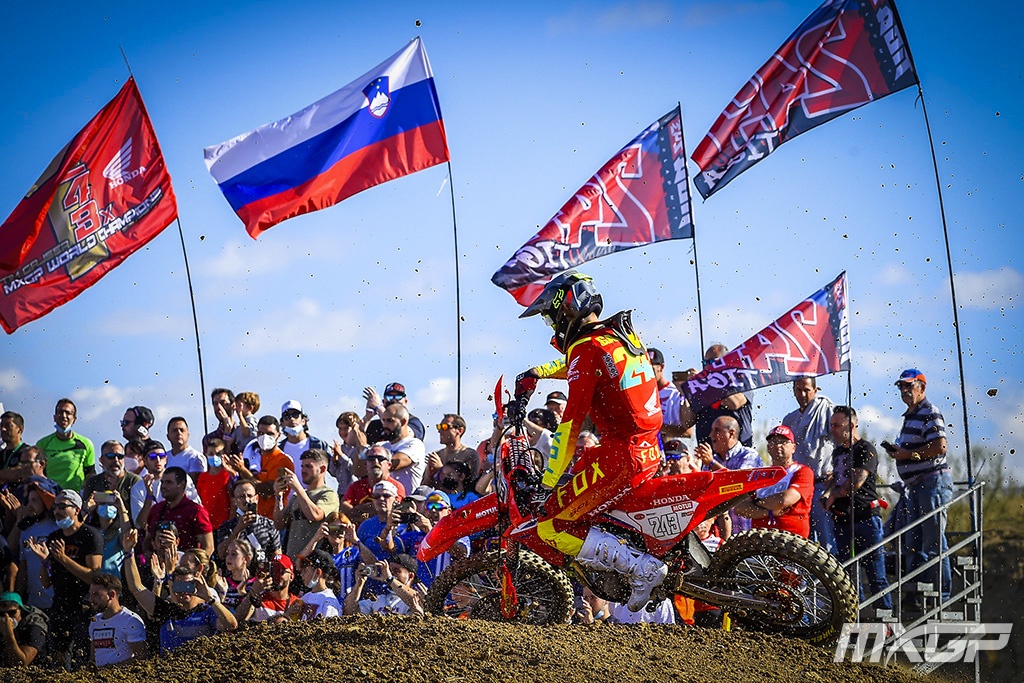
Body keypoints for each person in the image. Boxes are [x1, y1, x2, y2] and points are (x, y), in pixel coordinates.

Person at [513, 271, 666, 612]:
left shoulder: (586, 347)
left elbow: (569, 426)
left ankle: (640, 569)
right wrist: (538, 372)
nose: (552, 327)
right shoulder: (615, 335)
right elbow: (583, 362)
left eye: (551, 317)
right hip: (647, 448)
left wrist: (546, 481)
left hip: (621, 455)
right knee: (580, 487)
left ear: (565, 309)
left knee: (552, 524)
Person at [887, 368, 953, 603]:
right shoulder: (911, 416)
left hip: (932, 482)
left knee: (933, 540)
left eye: (909, 386)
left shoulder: (929, 412)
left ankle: (942, 596)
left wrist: (908, 455)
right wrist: (903, 454)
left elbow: (939, 448)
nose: (904, 391)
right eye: (901, 387)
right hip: (916, 485)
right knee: (913, 542)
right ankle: (916, 594)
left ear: (922, 388)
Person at [121, 528, 237, 651]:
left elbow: (231, 625)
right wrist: (129, 552)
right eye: (178, 586)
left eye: (187, 586)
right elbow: (136, 588)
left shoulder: (206, 610)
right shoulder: (167, 610)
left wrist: (210, 599)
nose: (183, 592)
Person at [823, 406, 892, 611]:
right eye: (831, 425)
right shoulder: (837, 452)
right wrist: (827, 492)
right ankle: (857, 619)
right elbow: (838, 479)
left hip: (865, 519)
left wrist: (834, 494)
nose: (832, 430)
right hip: (842, 520)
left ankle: (887, 622)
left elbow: (858, 480)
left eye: (837, 425)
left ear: (851, 425)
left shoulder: (865, 449)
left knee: (876, 575)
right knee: (849, 577)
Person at [26, 490, 102, 670]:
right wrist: (45, 562)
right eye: (55, 507)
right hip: (60, 605)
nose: (57, 511)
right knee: (58, 664)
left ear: (76, 509)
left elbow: (94, 577)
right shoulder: (54, 537)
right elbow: (46, 583)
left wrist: (62, 558)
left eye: (62, 506)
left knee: (81, 661)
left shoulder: (89, 535)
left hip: (84, 606)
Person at [782, 377, 836, 552]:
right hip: (799, 485)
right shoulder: (789, 419)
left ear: (815, 390)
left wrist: (837, 471)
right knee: (802, 541)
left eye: (806, 390)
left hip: (821, 483)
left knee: (826, 539)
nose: (803, 394)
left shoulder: (826, 409)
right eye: (798, 390)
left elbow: (840, 439)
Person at [733, 425, 814, 538]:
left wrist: (756, 503)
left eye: (783, 442)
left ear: (793, 448)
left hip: (791, 538)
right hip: (760, 537)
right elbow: (740, 508)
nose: (778, 445)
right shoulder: (759, 475)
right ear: (768, 447)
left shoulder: (802, 471)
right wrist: (769, 512)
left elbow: (785, 499)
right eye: (774, 442)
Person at [693, 416, 763, 533]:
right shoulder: (712, 460)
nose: (711, 435)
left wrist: (711, 463)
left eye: (717, 430)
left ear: (731, 434)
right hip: (719, 532)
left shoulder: (749, 455)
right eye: (712, 430)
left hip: (746, 531)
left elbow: (741, 482)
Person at [681, 344, 754, 447]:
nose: (707, 366)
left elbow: (734, 403)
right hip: (709, 453)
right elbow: (687, 422)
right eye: (705, 362)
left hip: (737, 453)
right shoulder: (702, 387)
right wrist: (687, 392)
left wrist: (706, 382)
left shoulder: (739, 380)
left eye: (712, 362)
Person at [273, 448, 340, 558]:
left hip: (314, 562)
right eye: (302, 466)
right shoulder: (297, 496)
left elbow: (315, 515)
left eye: (308, 466)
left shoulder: (329, 494)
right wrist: (278, 496)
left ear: (322, 469)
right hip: (293, 561)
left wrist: (298, 488)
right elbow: (279, 524)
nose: (303, 471)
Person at [144, 466, 214, 556]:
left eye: (169, 482)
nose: (164, 486)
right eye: (162, 482)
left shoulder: (195, 511)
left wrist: (195, 567)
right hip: (159, 566)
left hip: (186, 565)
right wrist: (150, 557)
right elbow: (147, 540)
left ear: (182, 485)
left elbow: (209, 546)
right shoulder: (156, 509)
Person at [213, 479, 281, 564]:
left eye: (249, 496)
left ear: (256, 498)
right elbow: (221, 554)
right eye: (241, 497)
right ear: (235, 501)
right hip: (235, 575)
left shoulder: (269, 525)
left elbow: (277, 556)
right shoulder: (227, 526)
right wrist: (238, 529)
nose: (246, 500)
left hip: (262, 574)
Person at [87, 573, 147, 667]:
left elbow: (141, 659)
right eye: (90, 594)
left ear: (111, 594)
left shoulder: (130, 620)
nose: (90, 600)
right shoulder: (95, 620)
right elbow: (93, 657)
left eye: (96, 594)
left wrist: (109, 669)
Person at [240, 416, 295, 518]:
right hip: (254, 519)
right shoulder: (252, 456)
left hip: (274, 521)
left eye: (270, 434)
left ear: (278, 435)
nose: (265, 437)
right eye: (261, 433)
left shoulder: (282, 460)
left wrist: (242, 470)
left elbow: (268, 491)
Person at [36, 398, 95, 491]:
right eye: (60, 412)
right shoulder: (42, 444)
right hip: (50, 496)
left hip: (75, 498)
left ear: (74, 419)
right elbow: (37, 472)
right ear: (54, 417)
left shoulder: (86, 444)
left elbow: (90, 474)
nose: (64, 416)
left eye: (68, 413)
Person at [277, 400, 338, 492]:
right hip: (288, 504)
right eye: (287, 416)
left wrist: (337, 459)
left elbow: (335, 472)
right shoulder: (279, 449)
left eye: (295, 415)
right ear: (282, 423)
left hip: (313, 500)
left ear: (303, 420)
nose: (291, 419)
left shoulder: (318, 445)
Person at [339, 445, 405, 524]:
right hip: (361, 534)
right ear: (365, 465)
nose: (375, 461)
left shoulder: (397, 487)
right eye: (371, 459)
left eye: (380, 458)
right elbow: (344, 505)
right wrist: (363, 512)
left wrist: (361, 510)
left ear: (389, 465)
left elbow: (395, 509)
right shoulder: (356, 486)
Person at [343, 554, 424, 616]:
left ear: (411, 576)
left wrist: (390, 579)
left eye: (396, 571)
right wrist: (359, 585)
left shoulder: (417, 596)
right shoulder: (379, 599)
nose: (391, 573)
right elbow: (350, 611)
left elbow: (416, 599)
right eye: (390, 570)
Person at [379, 404, 426, 494]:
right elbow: (359, 470)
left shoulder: (414, 444)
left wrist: (371, 461)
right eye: (383, 420)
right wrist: (361, 447)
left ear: (403, 422)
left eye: (390, 421)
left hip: (405, 503)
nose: (385, 425)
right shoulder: (382, 446)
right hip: (383, 501)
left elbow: (393, 465)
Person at [362, 382, 426, 442]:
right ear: (383, 402)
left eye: (398, 397)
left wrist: (379, 407)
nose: (394, 400)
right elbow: (356, 442)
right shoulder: (375, 425)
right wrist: (367, 418)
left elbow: (404, 435)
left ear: (405, 402)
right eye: (389, 397)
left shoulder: (413, 422)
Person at [426, 414, 480, 482]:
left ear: (460, 430)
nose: (440, 431)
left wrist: (441, 470)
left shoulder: (470, 455)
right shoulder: (437, 455)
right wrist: (430, 475)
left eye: (445, 427)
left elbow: (470, 485)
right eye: (439, 427)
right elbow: (425, 486)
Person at [0, 591, 47, 667]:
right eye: (2, 614)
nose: (7, 618)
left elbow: (21, 663)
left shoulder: (34, 625)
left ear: (20, 610)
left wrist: (8, 635)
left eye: (12, 613)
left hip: (36, 670)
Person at [292, 550, 342, 620]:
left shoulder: (329, 602)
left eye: (305, 570)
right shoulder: (305, 598)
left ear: (318, 572)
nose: (301, 574)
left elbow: (329, 629)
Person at [196, 437, 234, 529]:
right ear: (206, 454)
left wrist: (231, 521)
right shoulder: (202, 477)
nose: (214, 457)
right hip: (207, 524)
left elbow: (233, 501)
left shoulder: (228, 475)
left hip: (224, 524)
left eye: (218, 454)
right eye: (211, 454)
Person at [165, 417, 207, 482]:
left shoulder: (195, 457)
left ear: (188, 435)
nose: (179, 433)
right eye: (175, 430)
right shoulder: (164, 457)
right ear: (168, 436)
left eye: (182, 430)